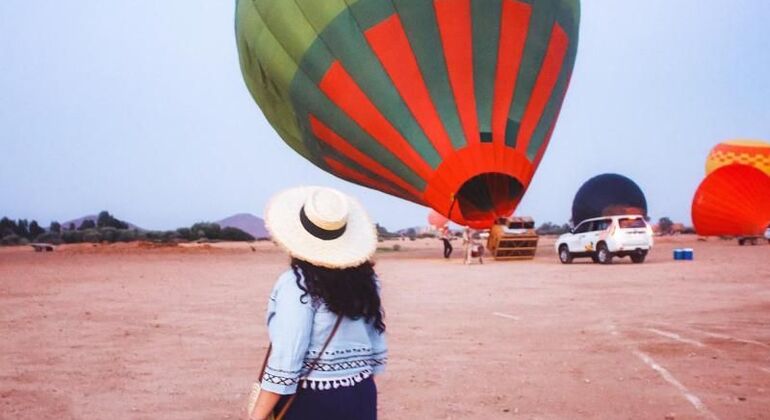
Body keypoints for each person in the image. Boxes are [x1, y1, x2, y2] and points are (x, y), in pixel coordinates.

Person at [249, 186, 387, 420]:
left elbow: (287, 357)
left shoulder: (297, 282)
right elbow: (375, 343)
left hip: (312, 399)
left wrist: (256, 416)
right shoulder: (366, 280)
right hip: (361, 392)